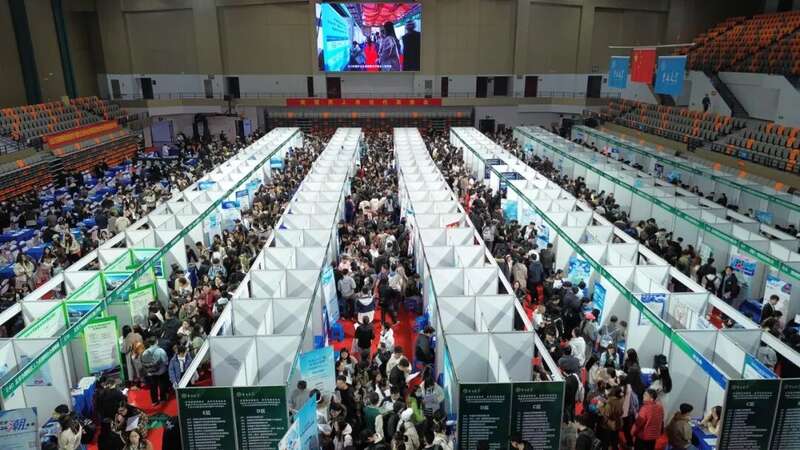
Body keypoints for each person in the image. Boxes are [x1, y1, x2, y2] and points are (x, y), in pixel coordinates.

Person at [140, 337, 170, 405]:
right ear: (156, 342)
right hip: (161, 372)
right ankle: (162, 399)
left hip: (150, 372)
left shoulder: (145, 352)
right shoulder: (161, 350)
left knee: (153, 387)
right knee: (162, 385)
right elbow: (165, 361)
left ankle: (154, 401)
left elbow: (143, 363)